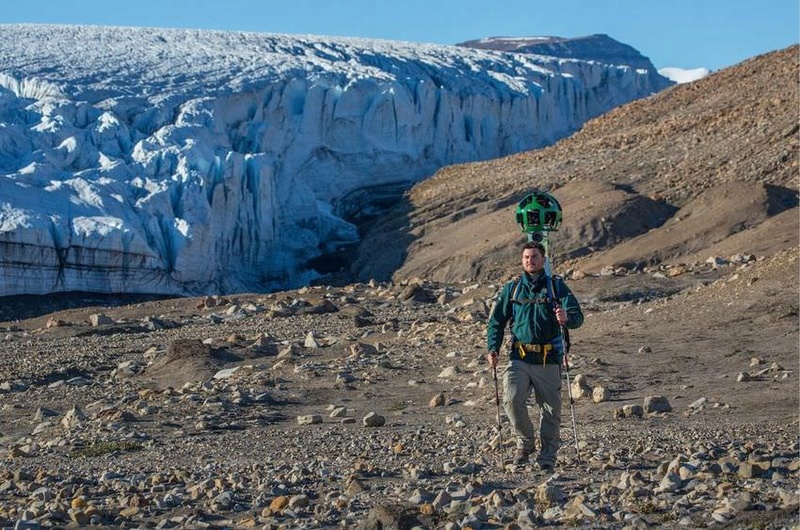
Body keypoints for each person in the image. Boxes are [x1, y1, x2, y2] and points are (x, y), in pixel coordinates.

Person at [486, 240, 584, 471]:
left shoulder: (556, 287)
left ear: (544, 260)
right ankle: (525, 442)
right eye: (527, 257)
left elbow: (577, 317)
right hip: (519, 356)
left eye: (535, 257)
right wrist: (493, 348)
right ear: (522, 261)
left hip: (548, 359)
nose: (530, 261)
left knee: (551, 411)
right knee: (510, 398)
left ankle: (547, 457)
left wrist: (566, 317)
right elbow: (496, 322)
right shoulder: (513, 288)